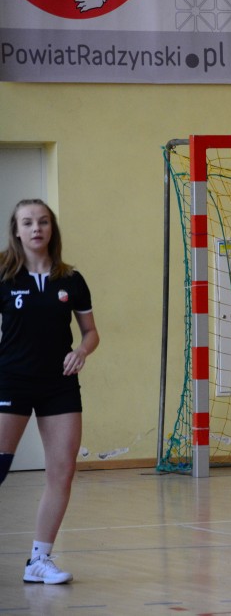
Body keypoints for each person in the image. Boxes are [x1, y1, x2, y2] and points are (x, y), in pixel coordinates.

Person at [0, 199, 100, 584]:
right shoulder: (5, 275)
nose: (36, 228)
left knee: (62, 471)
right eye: (28, 222)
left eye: (43, 222)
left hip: (59, 384)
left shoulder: (70, 279)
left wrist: (82, 351)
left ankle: (39, 561)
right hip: (11, 381)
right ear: (17, 230)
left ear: (51, 228)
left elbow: (90, 332)